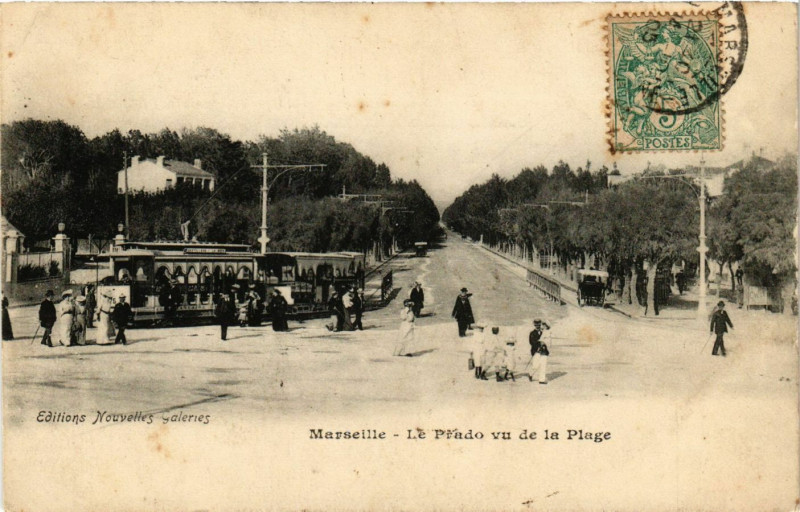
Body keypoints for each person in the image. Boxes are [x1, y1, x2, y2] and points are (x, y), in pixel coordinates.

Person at [528, 319, 551, 384]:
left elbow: (549, 341)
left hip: (544, 351)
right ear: (534, 325)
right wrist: (539, 343)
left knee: (543, 365)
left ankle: (541, 380)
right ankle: (531, 374)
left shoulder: (545, 332)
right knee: (535, 365)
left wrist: (545, 344)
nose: (538, 326)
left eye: (539, 325)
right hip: (536, 351)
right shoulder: (532, 333)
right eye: (536, 325)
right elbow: (531, 342)